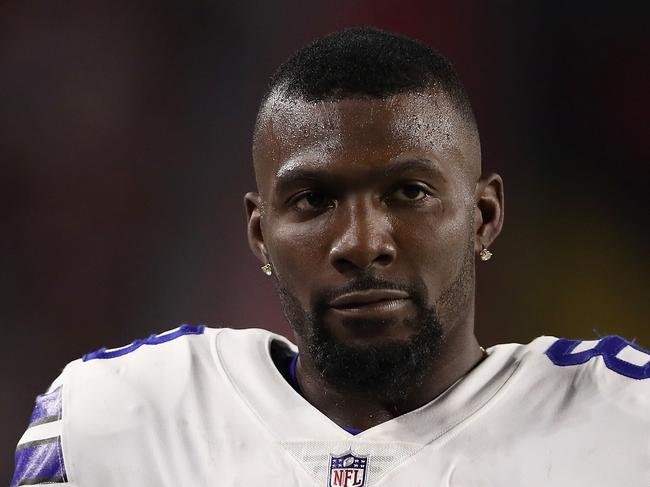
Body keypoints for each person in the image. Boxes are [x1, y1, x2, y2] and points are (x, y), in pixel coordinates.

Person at [11, 27, 649, 487]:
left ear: (484, 216)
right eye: (314, 200)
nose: (363, 242)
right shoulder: (122, 421)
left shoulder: (626, 424)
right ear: (260, 236)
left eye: (409, 193)